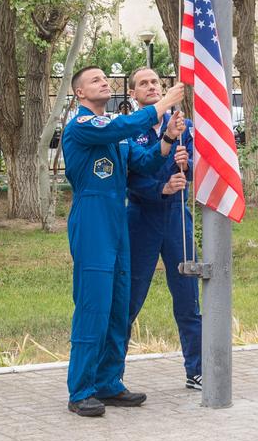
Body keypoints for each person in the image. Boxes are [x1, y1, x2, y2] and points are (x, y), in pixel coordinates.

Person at [63, 65, 187, 418]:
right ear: (80, 94)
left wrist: (165, 141)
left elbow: (144, 164)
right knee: (94, 305)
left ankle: (108, 382)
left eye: (105, 78)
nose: (104, 82)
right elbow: (123, 126)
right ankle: (81, 390)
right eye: (95, 80)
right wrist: (163, 104)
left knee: (119, 305)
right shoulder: (84, 125)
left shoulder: (115, 134)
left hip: (117, 220)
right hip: (92, 220)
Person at [123, 67, 203, 391]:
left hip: (175, 217)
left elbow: (198, 171)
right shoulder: (130, 130)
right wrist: (160, 189)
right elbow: (131, 175)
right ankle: (111, 375)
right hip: (142, 216)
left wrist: (188, 165)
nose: (151, 86)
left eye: (155, 81)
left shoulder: (185, 127)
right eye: (143, 83)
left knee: (187, 296)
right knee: (129, 298)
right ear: (133, 94)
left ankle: (196, 370)